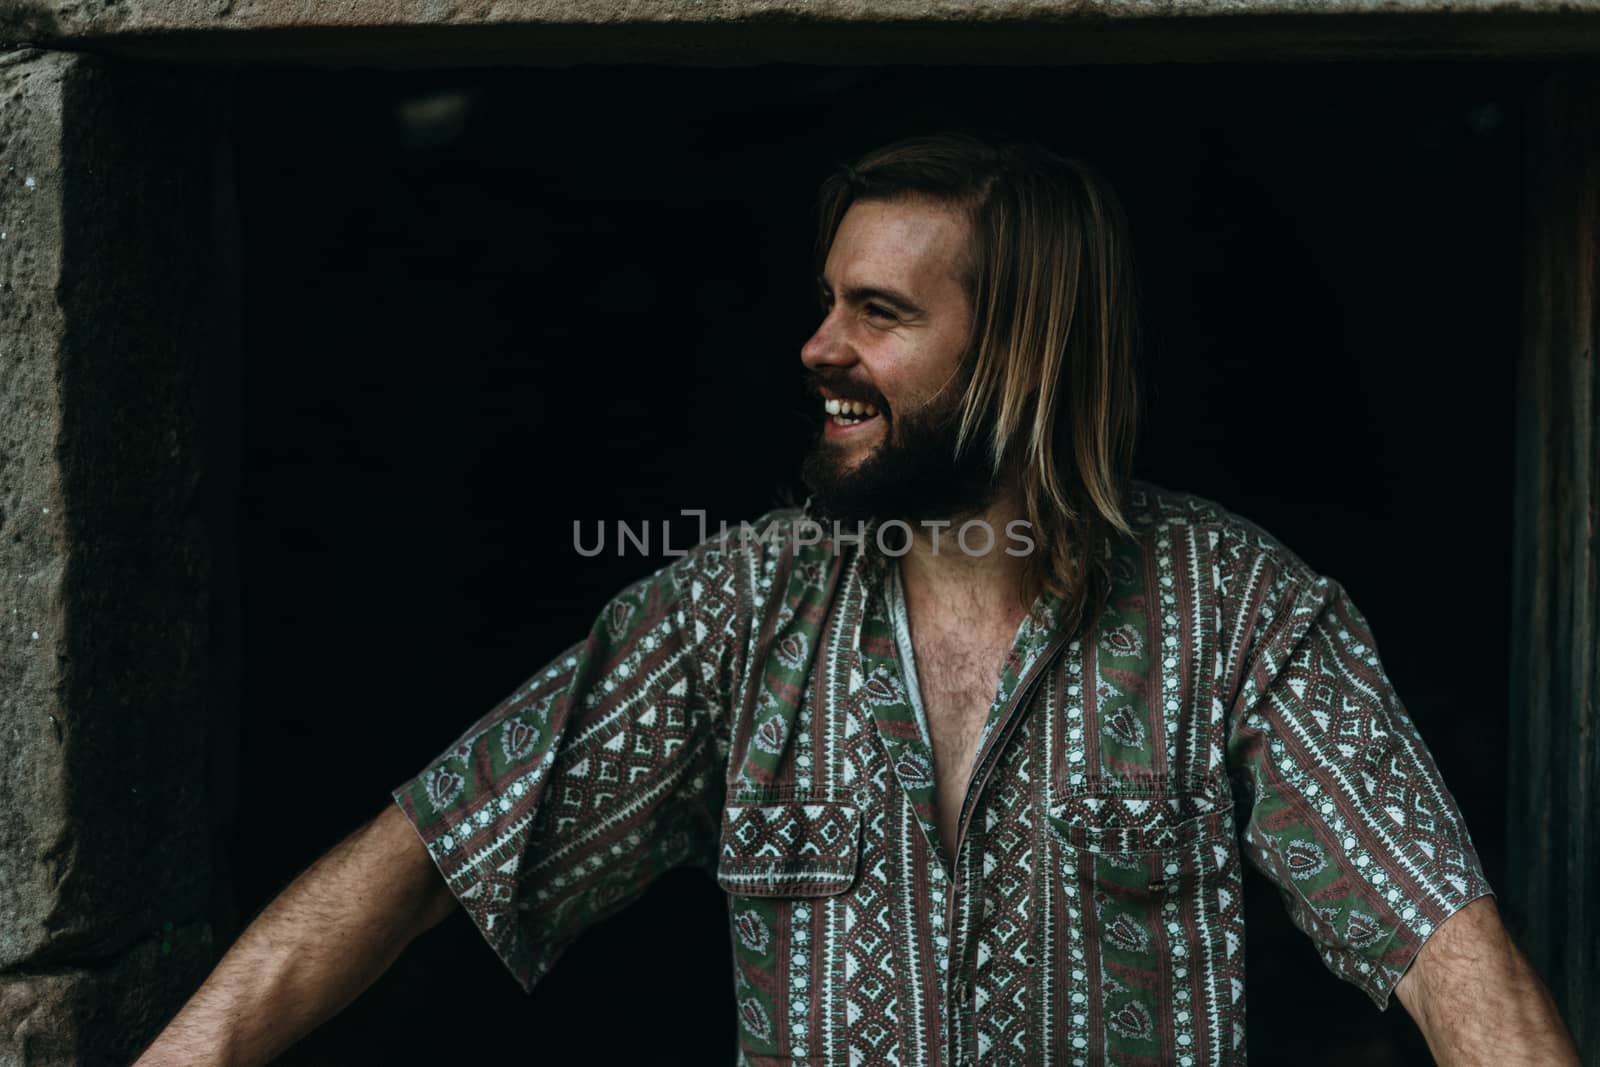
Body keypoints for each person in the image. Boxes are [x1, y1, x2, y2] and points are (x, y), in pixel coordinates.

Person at [135, 134, 1579, 1067]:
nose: (819, 346)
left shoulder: (1242, 613)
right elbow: (427, 858)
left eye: (879, 314)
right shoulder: (736, 609)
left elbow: (1455, 961)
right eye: (829, 301)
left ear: (1021, 348)